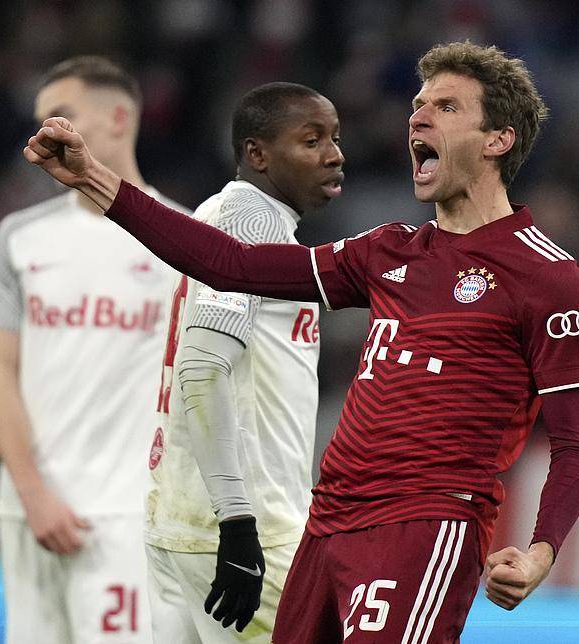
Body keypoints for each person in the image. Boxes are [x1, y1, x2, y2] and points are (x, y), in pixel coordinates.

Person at [24, 41, 579, 643]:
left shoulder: (548, 279)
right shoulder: (388, 250)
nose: (418, 118)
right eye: (418, 105)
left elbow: (574, 444)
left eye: (446, 107)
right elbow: (230, 264)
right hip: (326, 523)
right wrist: (93, 178)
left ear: (498, 140)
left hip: (423, 522)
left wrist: (541, 552)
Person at [0, 56, 183, 643]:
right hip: (26, 509)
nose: (45, 133)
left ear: (118, 118)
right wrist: (32, 493)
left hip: (129, 513)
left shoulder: (185, 239)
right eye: (40, 120)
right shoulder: (20, 238)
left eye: (62, 115)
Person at [144, 82, 343, 642]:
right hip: (243, 529)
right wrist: (236, 522)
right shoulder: (249, 222)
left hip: (184, 521)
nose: (334, 155)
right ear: (257, 154)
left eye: (334, 138)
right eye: (312, 141)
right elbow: (203, 369)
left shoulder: (221, 217)